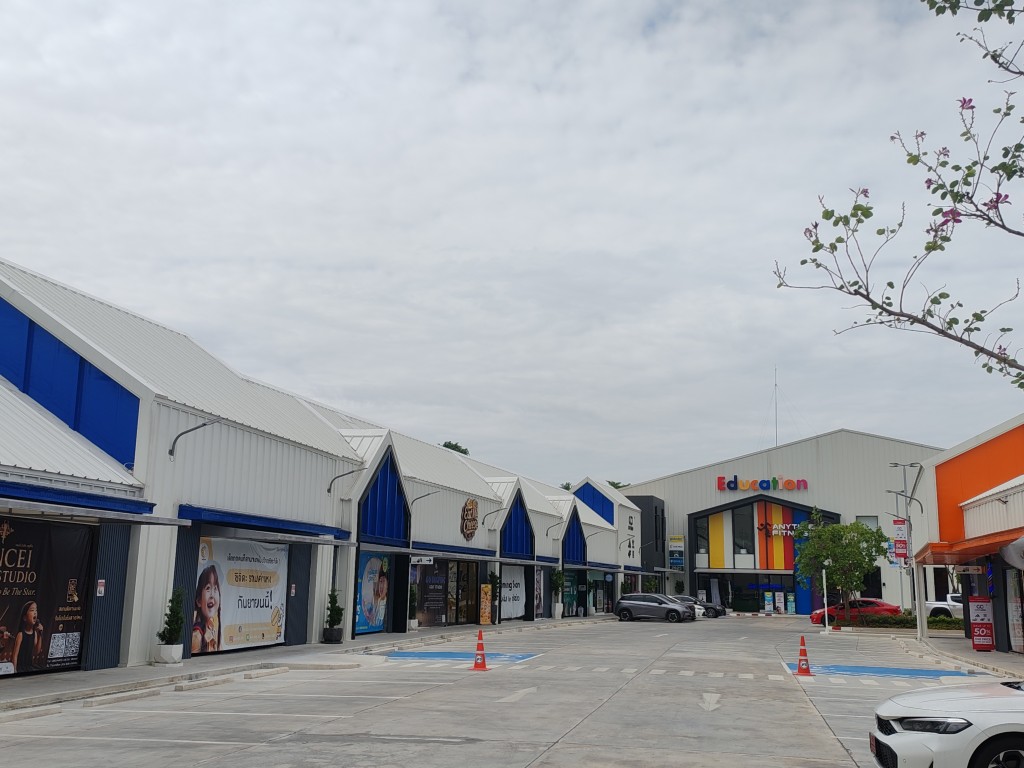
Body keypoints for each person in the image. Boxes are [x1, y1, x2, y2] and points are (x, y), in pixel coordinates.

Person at [191, 564, 222, 653]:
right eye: (208, 588)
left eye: (215, 588)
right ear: (199, 601)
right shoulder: (196, 636)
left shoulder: (212, 628)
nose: (212, 595)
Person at [11, 601, 43, 673]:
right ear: (25, 617)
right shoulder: (20, 634)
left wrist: (40, 634)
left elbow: (36, 652)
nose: (35, 612)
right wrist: (14, 670)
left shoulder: (35, 633)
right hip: (21, 667)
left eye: (36, 610)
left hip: (29, 666)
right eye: (32, 610)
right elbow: (15, 655)